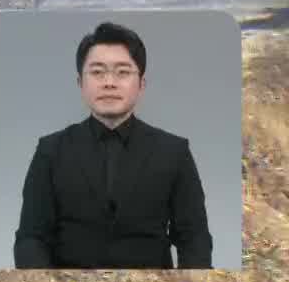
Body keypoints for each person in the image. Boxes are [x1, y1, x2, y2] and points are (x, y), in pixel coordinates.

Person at [13, 21, 214, 269]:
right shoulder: (50, 151)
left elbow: (194, 238)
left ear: (141, 84)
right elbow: (31, 237)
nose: (109, 82)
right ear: (80, 83)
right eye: (97, 72)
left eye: (122, 72)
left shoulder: (174, 151)